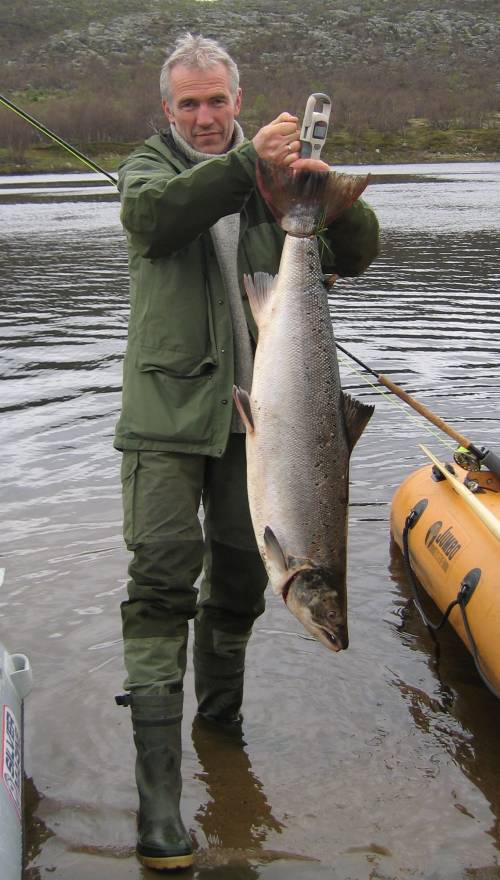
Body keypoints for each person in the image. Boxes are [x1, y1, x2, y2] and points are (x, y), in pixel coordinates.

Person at [114, 32, 379, 872]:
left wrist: (323, 194)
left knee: (239, 586)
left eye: (216, 101)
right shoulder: (148, 171)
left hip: (261, 431)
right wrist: (244, 171)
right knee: (160, 587)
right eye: (188, 103)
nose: (202, 115)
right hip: (166, 418)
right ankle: (160, 804)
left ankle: (220, 733)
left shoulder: (272, 188)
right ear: (168, 109)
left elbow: (358, 255)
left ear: (236, 100)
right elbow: (154, 223)